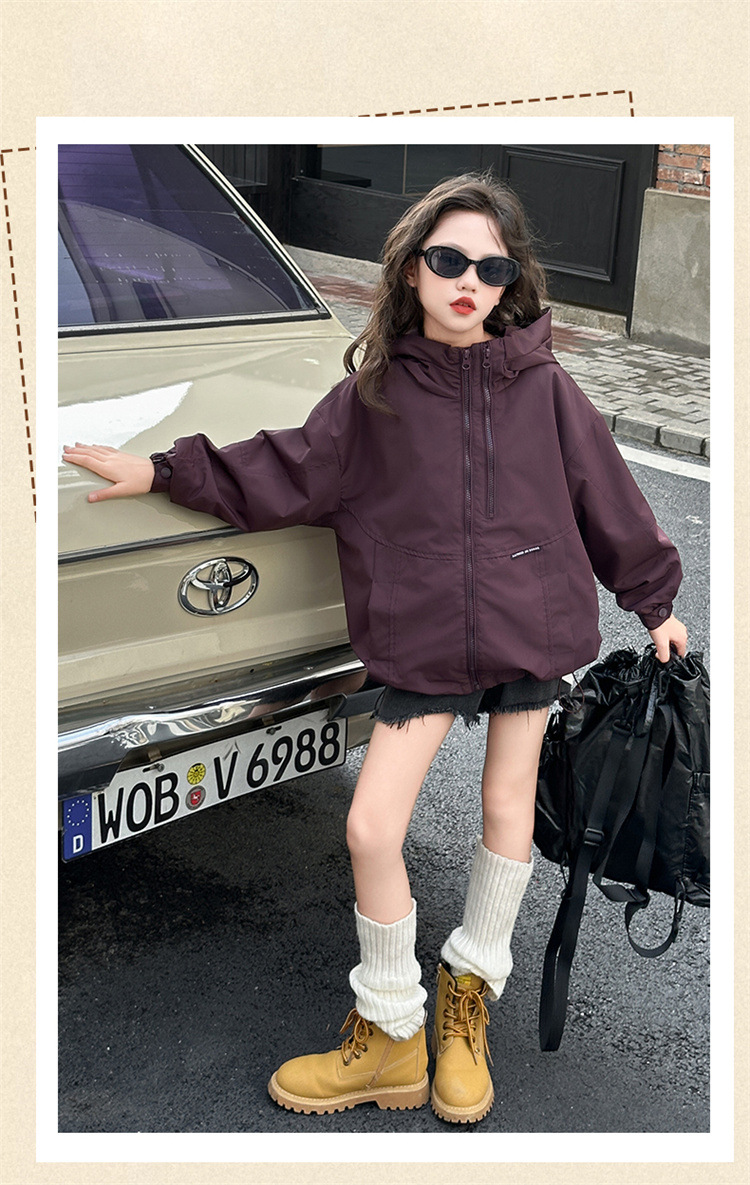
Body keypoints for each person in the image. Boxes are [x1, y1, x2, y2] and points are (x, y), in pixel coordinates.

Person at [63, 172, 687, 1126]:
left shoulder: (547, 388)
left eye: (490, 267)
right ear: (412, 269)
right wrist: (160, 468)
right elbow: (282, 468)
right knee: (370, 827)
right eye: (449, 260)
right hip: (423, 637)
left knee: (507, 808)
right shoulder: (375, 397)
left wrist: (655, 601)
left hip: (529, 623)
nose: (468, 281)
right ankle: (392, 1030)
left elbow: (609, 498)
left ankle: (469, 997)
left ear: (511, 281)